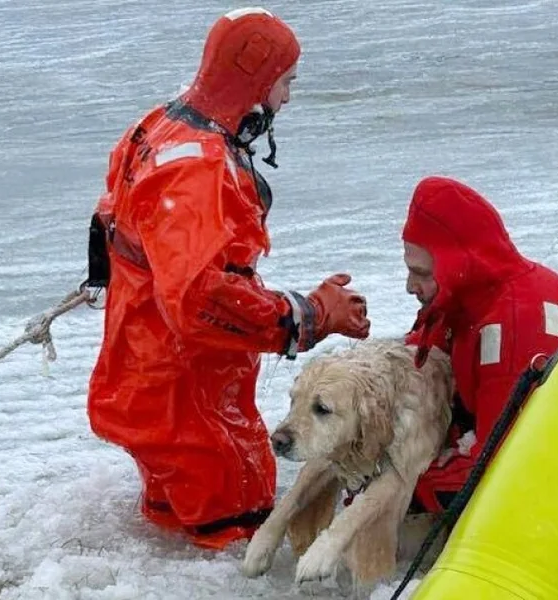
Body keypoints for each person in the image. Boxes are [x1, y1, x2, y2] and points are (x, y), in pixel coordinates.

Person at [85, 7, 371, 551]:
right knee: (237, 541)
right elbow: (198, 302)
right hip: (191, 402)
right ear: (256, 80)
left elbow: (108, 220)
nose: (288, 97)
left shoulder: (158, 127)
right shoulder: (202, 169)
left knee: (174, 536)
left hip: (141, 378)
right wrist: (309, 315)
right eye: (285, 83)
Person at [400, 175, 558, 514]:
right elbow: (411, 364)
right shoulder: (461, 300)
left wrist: (398, 485)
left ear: (456, 263)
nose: (409, 286)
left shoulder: (517, 326)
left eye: (421, 273)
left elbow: (498, 469)